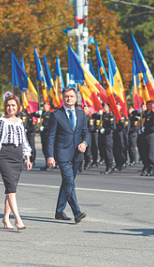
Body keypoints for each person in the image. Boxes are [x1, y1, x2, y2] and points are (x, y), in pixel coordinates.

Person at [0, 95, 32, 230]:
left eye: (13, 105)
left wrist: (27, 157)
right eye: (8, 105)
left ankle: (6, 219)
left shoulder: (19, 121)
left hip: (17, 156)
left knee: (10, 189)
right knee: (11, 189)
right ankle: (18, 219)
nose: (10, 108)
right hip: (4, 155)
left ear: (18, 107)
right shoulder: (1, 121)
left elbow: (24, 140)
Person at [47, 87, 88, 224]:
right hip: (62, 154)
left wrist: (84, 143)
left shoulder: (81, 114)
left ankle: (59, 211)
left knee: (67, 183)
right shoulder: (56, 114)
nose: (69, 98)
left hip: (76, 154)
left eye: (71, 96)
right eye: (66, 96)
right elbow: (51, 137)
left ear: (76, 98)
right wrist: (50, 156)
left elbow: (86, 133)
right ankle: (77, 212)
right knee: (70, 182)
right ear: (63, 98)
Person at [139, 100, 154, 176]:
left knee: (150, 152)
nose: (148, 106)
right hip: (144, 135)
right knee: (144, 153)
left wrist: (146, 129)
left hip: (150, 135)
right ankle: (146, 167)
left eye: (150, 105)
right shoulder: (144, 114)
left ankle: (151, 168)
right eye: (147, 105)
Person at [99, 103, 116, 174]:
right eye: (104, 107)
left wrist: (105, 130)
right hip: (102, 136)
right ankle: (106, 167)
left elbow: (113, 127)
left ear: (109, 108)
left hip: (108, 136)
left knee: (108, 151)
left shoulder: (111, 116)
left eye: (106, 107)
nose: (104, 108)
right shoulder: (102, 115)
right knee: (104, 152)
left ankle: (110, 167)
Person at [113, 103, 128, 171]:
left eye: (118, 106)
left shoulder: (122, 116)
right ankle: (117, 163)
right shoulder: (113, 116)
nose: (116, 107)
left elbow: (123, 126)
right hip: (114, 135)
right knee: (115, 150)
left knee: (121, 149)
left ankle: (121, 163)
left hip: (120, 134)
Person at [81, 105, 93, 171]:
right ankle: (80, 164)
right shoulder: (81, 117)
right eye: (84, 108)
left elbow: (91, 128)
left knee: (87, 150)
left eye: (86, 108)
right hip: (81, 135)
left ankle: (87, 162)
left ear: (88, 110)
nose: (84, 109)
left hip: (87, 135)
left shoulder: (89, 118)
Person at [40, 103, 52, 171]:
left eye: (46, 106)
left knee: (48, 149)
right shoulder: (43, 114)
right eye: (44, 106)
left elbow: (50, 124)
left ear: (49, 107)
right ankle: (46, 164)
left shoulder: (50, 114)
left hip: (48, 133)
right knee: (44, 149)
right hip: (43, 134)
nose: (45, 107)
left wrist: (45, 127)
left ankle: (50, 165)